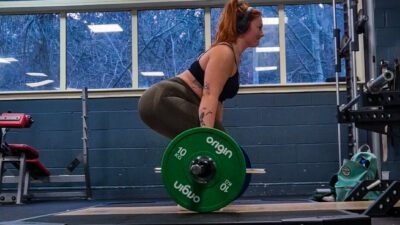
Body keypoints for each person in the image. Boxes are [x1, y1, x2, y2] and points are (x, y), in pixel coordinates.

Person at [138, 0, 264, 140]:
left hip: (168, 101)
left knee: (220, 143)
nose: (262, 33)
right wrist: (209, 140)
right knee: (217, 144)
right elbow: (209, 97)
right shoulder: (224, 53)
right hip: (163, 99)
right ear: (243, 26)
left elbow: (217, 102)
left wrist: (216, 136)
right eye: (259, 27)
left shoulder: (233, 56)